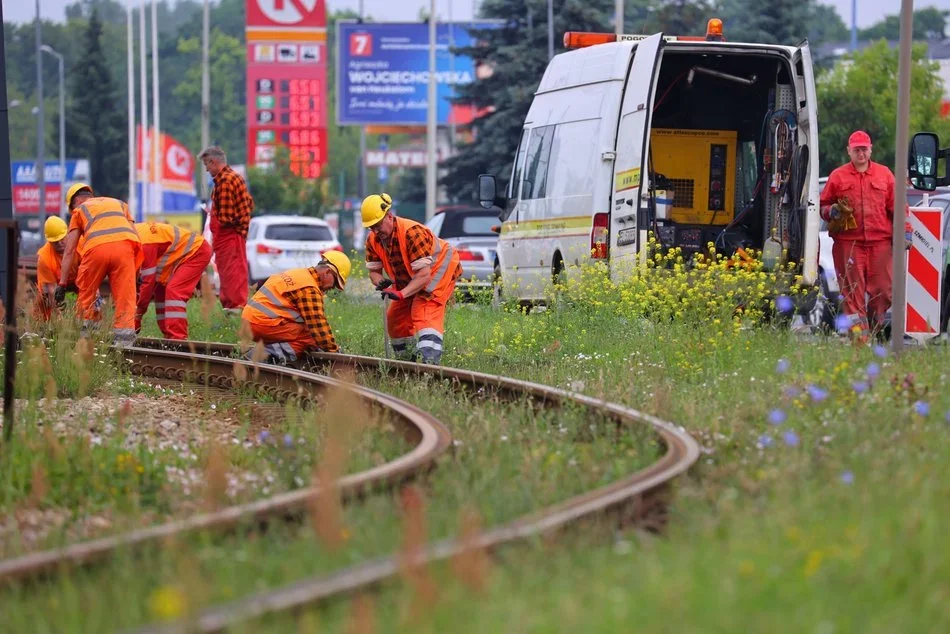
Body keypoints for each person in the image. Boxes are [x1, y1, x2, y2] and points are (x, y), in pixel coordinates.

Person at [820, 130, 911, 342]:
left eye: (864, 149)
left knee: (883, 292)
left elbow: (898, 207)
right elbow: (823, 205)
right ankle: (859, 341)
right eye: (856, 150)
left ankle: (875, 329)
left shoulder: (885, 175)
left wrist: (906, 232)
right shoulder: (838, 176)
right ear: (849, 151)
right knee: (852, 295)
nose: (861, 153)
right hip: (848, 244)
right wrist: (830, 210)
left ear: (871, 150)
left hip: (880, 244)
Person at [361, 193, 461, 364]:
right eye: (371, 228)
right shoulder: (374, 240)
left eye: (377, 225)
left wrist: (401, 294)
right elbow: (374, 271)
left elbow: (423, 276)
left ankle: (430, 364)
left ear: (389, 216)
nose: (376, 231)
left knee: (423, 310)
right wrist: (380, 282)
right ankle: (407, 363)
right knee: (395, 317)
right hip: (410, 279)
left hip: (439, 269)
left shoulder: (412, 233)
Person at [58, 183, 142, 346]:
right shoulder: (120, 204)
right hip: (124, 250)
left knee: (86, 294)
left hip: (96, 250)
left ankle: (85, 341)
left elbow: (69, 250)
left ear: (75, 201)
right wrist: (136, 273)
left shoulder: (79, 210)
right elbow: (136, 239)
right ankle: (124, 347)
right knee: (126, 299)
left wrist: (62, 283)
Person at [241, 251, 351, 364]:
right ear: (327, 272)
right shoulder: (309, 288)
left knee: (307, 334)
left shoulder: (299, 274)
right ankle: (260, 357)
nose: (333, 288)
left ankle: (267, 353)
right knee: (309, 338)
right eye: (335, 283)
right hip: (261, 323)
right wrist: (335, 352)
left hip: (250, 320)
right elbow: (318, 326)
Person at [135, 221, 213, 339]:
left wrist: (138, 314)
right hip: (180, 255)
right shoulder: (136, 234)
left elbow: (148, 283)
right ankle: (168, 335)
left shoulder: (145, 244)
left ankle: (178, 338)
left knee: (174, 291)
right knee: (160, 292)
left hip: (196, 251)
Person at [199, 146, 253, 314]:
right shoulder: (235, 178)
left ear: (213, 162)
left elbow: (226, 217)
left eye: (206, 165)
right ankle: (234, 307)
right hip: (233, 236)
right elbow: (248, 204)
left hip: (228, 236)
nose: (207, 169)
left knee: (231, 274)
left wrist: (213, 217)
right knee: (233, 271)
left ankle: (235, 310)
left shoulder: (224, 182)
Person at [33, 216, 82, 322]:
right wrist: (60, 320)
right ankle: (41, 325)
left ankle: (92, 322)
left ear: (68, 233)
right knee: (43, 297)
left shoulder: (80, 244)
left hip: (78, 281)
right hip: (55, 286)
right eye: (55, 242)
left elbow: (91, 275)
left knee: (90, 298)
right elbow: (51, 291)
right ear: (49, 241)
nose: (60, 244)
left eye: (62, 239)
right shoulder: (44, 258)